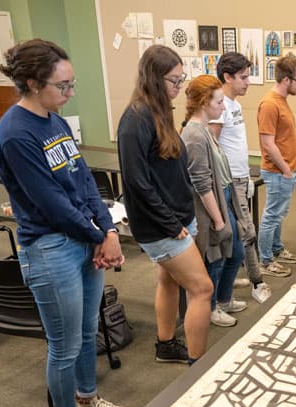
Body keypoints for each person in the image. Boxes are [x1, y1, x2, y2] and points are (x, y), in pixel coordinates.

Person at [0, 39, 133, 407]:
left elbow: (84, 181)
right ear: (34, 83)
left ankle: (87, 400)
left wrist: (107, 230)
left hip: (84, 239)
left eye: (73, 84)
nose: (70, 93)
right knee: (65, 344)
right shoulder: (15, 135)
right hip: (50, 248)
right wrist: (99, 236)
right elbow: (52, 205)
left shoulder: (54, 119)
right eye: (63, 85)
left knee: (89, 332)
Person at [117, 45, 213, 363]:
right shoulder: (135, 118)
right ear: (155, 78)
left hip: (178, 219)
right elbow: (137, 183)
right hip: (163, 226)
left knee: (169, 280)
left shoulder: (159, 110)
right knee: (202, 289)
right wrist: (173, 226)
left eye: (181, 78)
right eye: (174, 79)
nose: (178, 86)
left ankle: (166, 345)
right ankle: (199, 366)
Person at [181, 75, 248, 328]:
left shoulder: (204, 130)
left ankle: (223, 299)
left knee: (235, 251)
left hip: (224, 198)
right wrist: (219, 221)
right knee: (216, 258)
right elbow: (201, 184)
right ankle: (211, 308)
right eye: (218, 101)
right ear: (203, 102)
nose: (223, 106)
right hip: (211, 208)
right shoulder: (195, 135)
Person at [208, 52, 272, 304]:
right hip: (229, 181)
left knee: (240, 234)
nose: (248, 82)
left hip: (241, 177)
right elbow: (212, 145)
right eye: (243, 77)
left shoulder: (233, 104)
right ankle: (257, 282)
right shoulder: (220, 105)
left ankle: (228, 280)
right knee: (246, 232)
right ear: (227, 77)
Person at [256, 55, 296, 278]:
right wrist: (286, 169)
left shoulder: (281, 100)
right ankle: (265, 260)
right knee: (272, 215)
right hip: (277, 171)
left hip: (286, 170)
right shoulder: (269, 104)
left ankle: (276, 249)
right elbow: (267, 143)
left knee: (278, 214)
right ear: (286, 80)